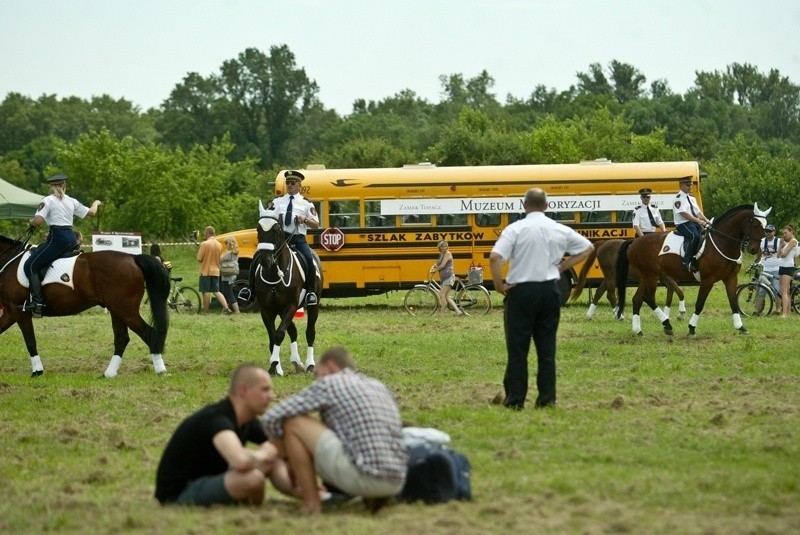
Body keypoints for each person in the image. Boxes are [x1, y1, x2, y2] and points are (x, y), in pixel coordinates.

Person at [262, 346, 407, 514]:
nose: (316, 380)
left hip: (366, 477)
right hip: (398, 480)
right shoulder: (378, 385)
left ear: (330, 367)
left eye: (317, 374)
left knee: (294, 423)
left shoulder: (330, 383)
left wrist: (287, 458)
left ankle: (311, 503)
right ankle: (375, 499)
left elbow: (272, 417)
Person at [489, 188, 593, 410]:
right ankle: (546, 399)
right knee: (547, 349)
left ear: (524, 205)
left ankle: (515, 400)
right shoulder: (558, 229)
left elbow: (495, 257)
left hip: (521, 291)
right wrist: (562, 266)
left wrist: (499, 286)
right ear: (546, 206)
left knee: (518, 349)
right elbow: (587, 248)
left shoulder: (514, 229)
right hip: (549, 291)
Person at [155, 364, 300, 506]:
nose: (271, 396)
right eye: (265, 390)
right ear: (243, 391)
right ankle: (254, 507)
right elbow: (240, 461)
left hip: (213, 478)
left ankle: (311, 496)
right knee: (253, 479)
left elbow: (278, 448)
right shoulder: (217, 419)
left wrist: (288, 459)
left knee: (272, 460)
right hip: (179, 493)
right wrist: (263, 453)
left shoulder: (247, 420)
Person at [23, 174, 101, 318]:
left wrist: (31, 222)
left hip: (57, 239)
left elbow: (39, 221)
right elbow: (91, 213)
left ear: (52, 187)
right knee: (40, 250)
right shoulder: (72, 201)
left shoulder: (47, 200)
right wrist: (96, 202)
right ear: (64, 186)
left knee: (30, 265)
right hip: (71, 239)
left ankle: (38, 303)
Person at [267, 170, 320, 306]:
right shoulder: (278, 202)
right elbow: (268, 217)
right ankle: (251, 289)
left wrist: (305, 220)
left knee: (309, 259)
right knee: (259, 257)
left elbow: (316, 224)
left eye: (293, 183)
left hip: (298, 239)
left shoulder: (306, 203)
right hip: (280, 239)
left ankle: (311, 292)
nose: (289, 185)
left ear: (299, 186)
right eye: (288, 183)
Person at [673, 177, 711, 272]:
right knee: (695, 236)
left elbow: (698, 212)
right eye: (687, 185)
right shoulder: (678, 199)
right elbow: (684, 214)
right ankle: (686, 261)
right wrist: (699, 221)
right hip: (683, 223)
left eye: (690, 185)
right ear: (681, 185)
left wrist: (707, 220)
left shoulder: (692, 198)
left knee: (706, 235)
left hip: (693, 223)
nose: (690, 187)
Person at [197, 226, 231, 314]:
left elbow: (199, 258)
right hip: (216, 271)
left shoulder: (205, 244)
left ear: (207, 233)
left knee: (206, 291)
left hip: (206, 271)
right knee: (216, 291)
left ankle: (205, 311)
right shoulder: (219, 245)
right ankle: (226, 307)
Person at [753, 224, 781, 315]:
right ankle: (757, 310)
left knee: (776, 290)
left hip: (776, 269)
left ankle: (778, 310)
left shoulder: (779, 241)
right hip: (765, 269)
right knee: (761, 290)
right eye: (766, 231)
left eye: (770, 231)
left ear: (774, 232)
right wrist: (756, 262)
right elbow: (759, 253)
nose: (768, 233)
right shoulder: (762, 241)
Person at [430, 240, 463, 315]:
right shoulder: (441, 254)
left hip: (448, 276)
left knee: (442, 295)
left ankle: (442, 313)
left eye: (445, 246)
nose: (444, 248)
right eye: (442, 246)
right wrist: (433, 267)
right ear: (439, 247)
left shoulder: (448, 254)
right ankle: (458, 311)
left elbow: (442, 265)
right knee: (447, 297)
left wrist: (435, 270)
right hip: (444, 277)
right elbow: (437, 263)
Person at [777, 224, 799, 318]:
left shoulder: (793, 241)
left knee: (784, 290)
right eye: (783, 233)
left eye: (786, 233)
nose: (784, 235)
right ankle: (788, 311)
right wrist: (780, 245)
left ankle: (784, 313)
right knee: (786, 291)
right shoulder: (786, 243)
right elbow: (778, 255)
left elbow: (784, 254)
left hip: (788, 267)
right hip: (782, 266)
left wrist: (782, 251)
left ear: (791, 232)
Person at [220, 237, 241, 314]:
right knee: (226, 293)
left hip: (227, 277)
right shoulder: (235, 253)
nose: (225, 245)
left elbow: (219, 260)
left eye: (226, 244)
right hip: (232, 276)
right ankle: (224, 309)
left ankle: (237, 311)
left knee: (229, 294)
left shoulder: (229, 254)